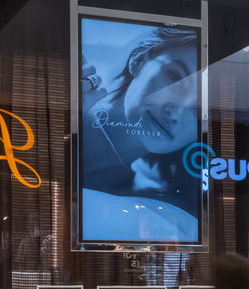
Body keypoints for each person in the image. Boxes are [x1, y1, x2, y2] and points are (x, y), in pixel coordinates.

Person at [80, 26, 200, 242]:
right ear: (138, 60)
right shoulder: (68, 114)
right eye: (175, 78)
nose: (176, 112)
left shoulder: (156, 207)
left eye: (198, 110)